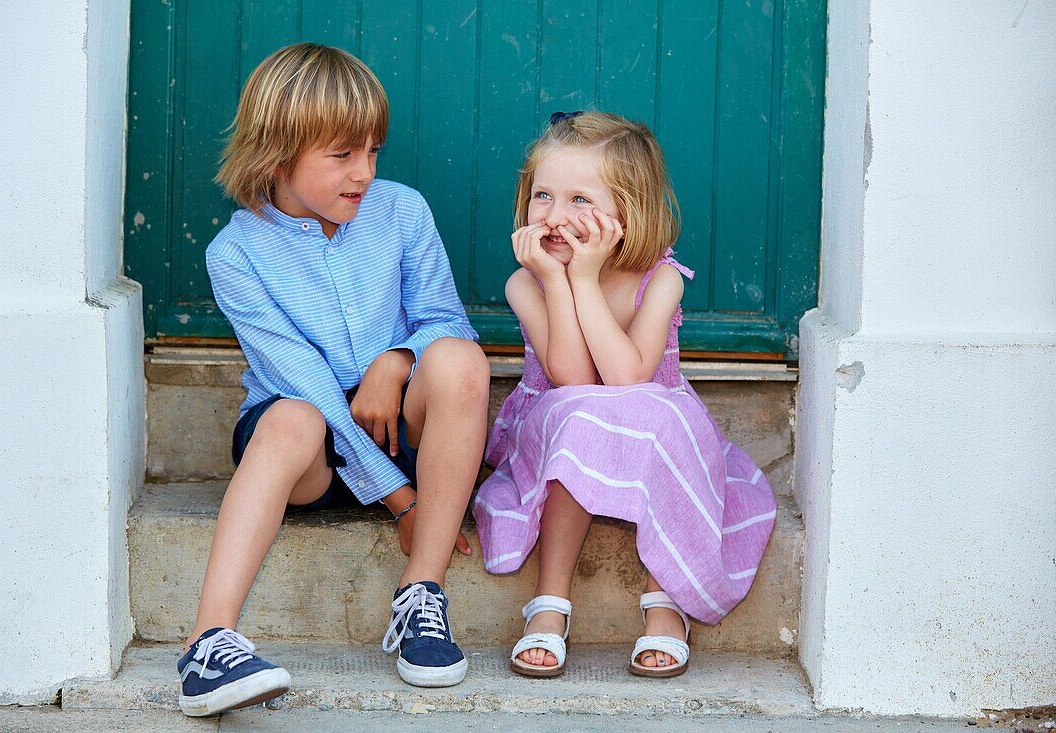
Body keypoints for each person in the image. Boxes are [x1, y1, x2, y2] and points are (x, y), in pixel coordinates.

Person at [175, 43, 490, 717]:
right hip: (311, 446)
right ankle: (208, 642)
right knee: (293, 415)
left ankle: (421, 594)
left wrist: (397, 360)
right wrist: (402, 500)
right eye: (344, 154)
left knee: (459, 362)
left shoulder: (402, 212)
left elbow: (444, 320)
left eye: (374, 151)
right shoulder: (236, 254)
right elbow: (309, 384)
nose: (365, 173)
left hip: (399, 422)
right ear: (277, 150)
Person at [473, 111, 776, 679]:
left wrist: (584, 280)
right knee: (579, 416)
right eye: (543, 195)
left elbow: (631, 378)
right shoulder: (525, 281)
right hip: (558, 420)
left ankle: (667, 601)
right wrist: (562, 281)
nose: (556, 217)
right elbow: (572, 379)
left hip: (649, 413)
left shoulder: (659, 277)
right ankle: (550, 603)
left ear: (627, 211)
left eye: (580, 200)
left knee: (662, 418)